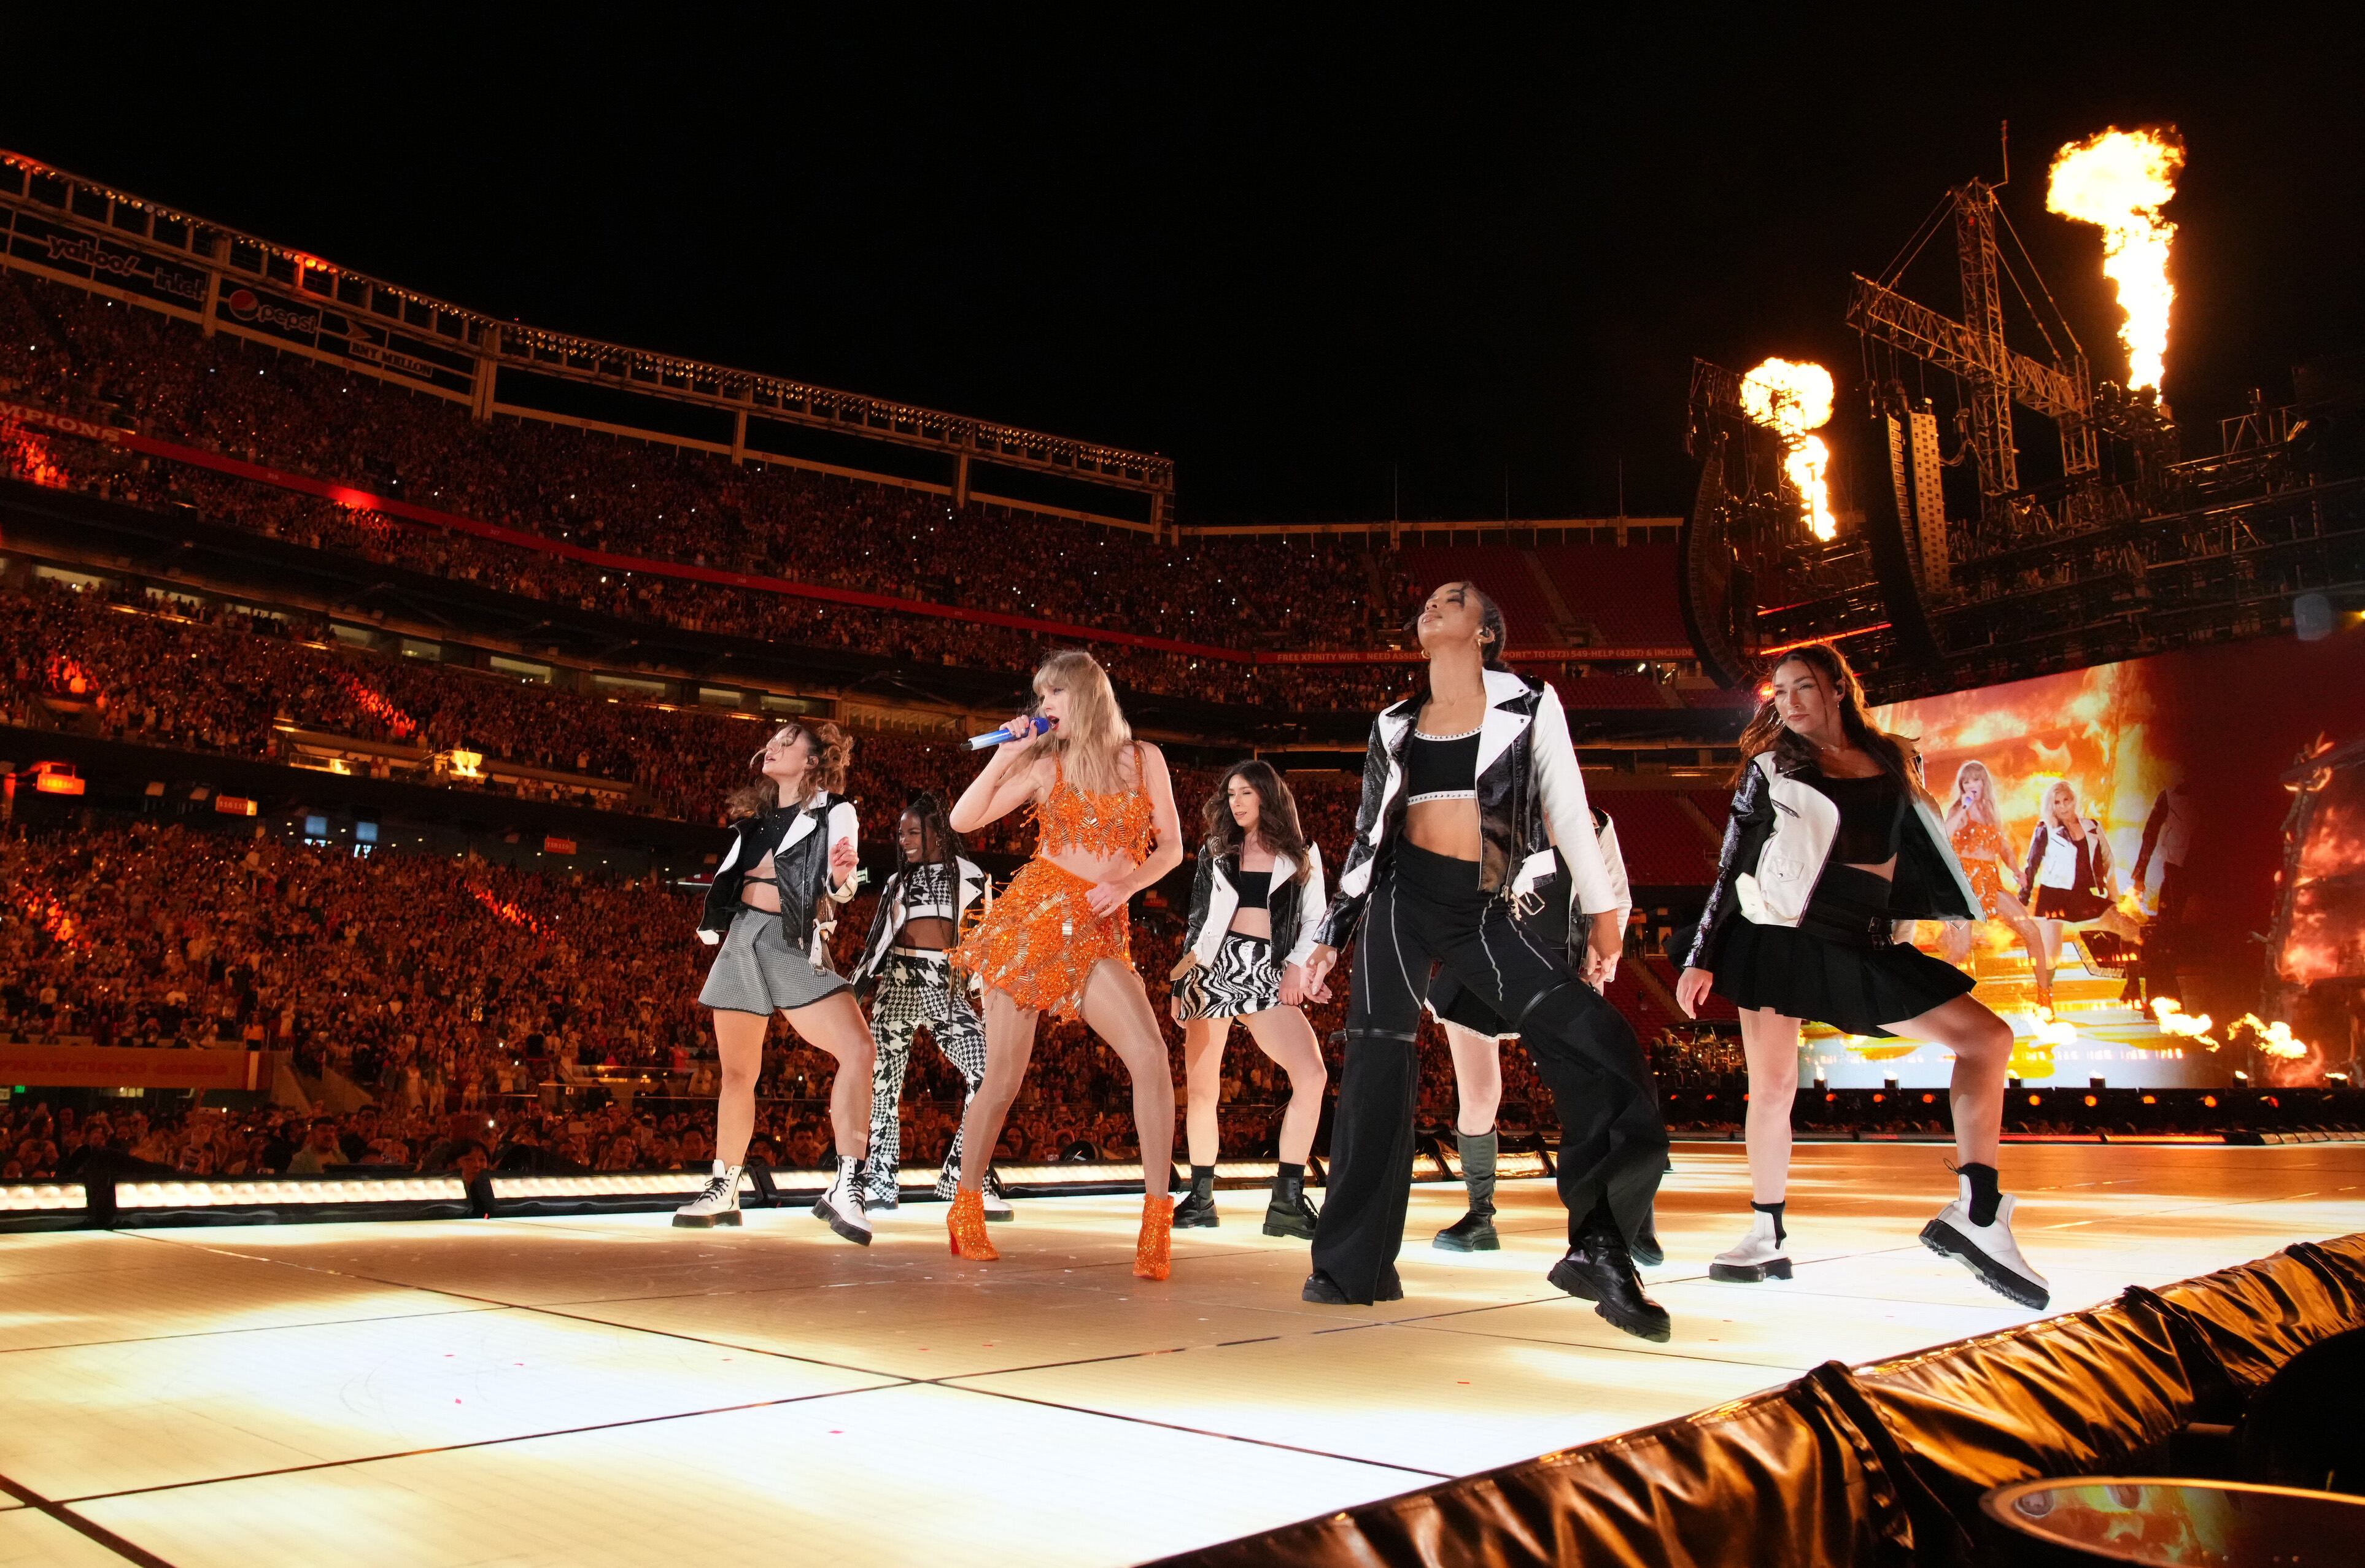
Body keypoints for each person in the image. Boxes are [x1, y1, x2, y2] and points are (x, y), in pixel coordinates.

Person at [1301, 582, 1671, 1340]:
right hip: (1399, 901)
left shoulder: (1531, 703)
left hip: (1485, 909)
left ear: (1486, 633)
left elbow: (1568, 807)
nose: (1434, 605)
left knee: (1601, 1043)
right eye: (1430, 600)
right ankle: (1348, 1267)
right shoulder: (1394, 721)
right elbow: (1368, 834)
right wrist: (1329, 935)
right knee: (1375, 1068)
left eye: (1455, 599)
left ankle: (1600, 1244)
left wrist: (1605, 915)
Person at [1674, 643, 2048, 1308]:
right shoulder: (1773, 766)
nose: (1789, 701)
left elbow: (1916, 849)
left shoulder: (1894, 758)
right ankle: (1764, 1234)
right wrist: (1699, 953)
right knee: (1773, 1087)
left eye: (1802, 686)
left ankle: (1977, 1211)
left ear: (1838, 688)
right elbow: (1733, 863)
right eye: (1780, 691)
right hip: (1783, 934)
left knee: (1987, 1039)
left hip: (1866, 938)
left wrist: (1941, 915)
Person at [944, 650, 1185, 1278]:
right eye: (1040, 695)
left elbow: (1172, 848)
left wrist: (1127, 885)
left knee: (1150, 1054)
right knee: (1002, 1078)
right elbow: (962, 819)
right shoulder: (1044, 762)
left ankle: (1157, 1220)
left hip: (1099, 927)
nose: (1044, 705)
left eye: (1054, 693)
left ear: (1088, 694)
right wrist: (1005, 752)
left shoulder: (1144, 759)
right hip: (1032, 922)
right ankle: (965, 1206)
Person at [673, 720, 878, 1244]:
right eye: (773, 740)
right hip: (742, 936)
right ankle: (724, 1187)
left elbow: (843, 880)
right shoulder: (756, 819)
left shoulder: (836, 810)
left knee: (859, 1049)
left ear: (812, 760)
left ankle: (848, 1184)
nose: (773, 746)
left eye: (788, 742)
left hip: (792, 940)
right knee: (737, 1075)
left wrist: (843, 875)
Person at [1425, 819, 1648, 1259]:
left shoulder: (1595, 822)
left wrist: (1604, 951)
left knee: (1591, 1094)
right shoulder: (1488, 810)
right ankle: (1479, 1215)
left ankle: (1620, 1218)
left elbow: (1615, 896)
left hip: (1558, 962)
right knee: (1479, 1094)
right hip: (1483, 955)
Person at [1170, 761, 1331, 1238]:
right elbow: (1198, 920)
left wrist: (1297, 968)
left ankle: (1286, 1200)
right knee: (1202, 1089)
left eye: (1245, 793)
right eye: (1230, 794)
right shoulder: (1216, 851)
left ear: (1266, 795)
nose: (1236, 802)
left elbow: (1315, 920)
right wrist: (1181, 981)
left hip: (1267, 970)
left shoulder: (1302, 853)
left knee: (1312, 1075)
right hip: (1214, 969)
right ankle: (1200, 1197)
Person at [847, 794, 1004, 1216]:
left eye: (913, 832)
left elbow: (986, 943)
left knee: (987, 1073)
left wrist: (987, 997)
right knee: (883, 1087)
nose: (904, 841)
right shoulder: (897, 882)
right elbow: (876, 942)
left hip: (945, 983)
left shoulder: (972, 877)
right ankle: (879, 1180)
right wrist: (854, 989)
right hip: (897, 981)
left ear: (938, 834)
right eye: (901, 834)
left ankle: (965, 1176)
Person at [1940, 759, 2054, 1010]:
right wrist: (1963, 807)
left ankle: (2045, 997)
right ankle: (1932, 998)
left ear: (1984, 783)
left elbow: (2003, 846)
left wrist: (2017, 871)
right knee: (1960, 949)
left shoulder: (1991, 810)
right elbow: (1944, 833)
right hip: (1963, 884)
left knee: (2032, 932)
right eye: (1966, 782)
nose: (1971, 785)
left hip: (1990, 881)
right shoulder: (1959, 808)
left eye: (1975, 780)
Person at [2018, 779, 2116, 990]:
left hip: (2085, 894)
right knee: (2052, 954)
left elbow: (2108, 860)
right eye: (2057, 802)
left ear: (2074, 800)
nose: (2063, 806)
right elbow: (2032, 864)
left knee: (2124, 928)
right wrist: (2024, 897)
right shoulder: (2046, 829)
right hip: (2054, 895)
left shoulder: (2092, 826)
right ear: (2051, 805)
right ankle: (2045, 992)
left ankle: (2132, 984)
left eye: (2067, 800)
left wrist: (2112, 892)